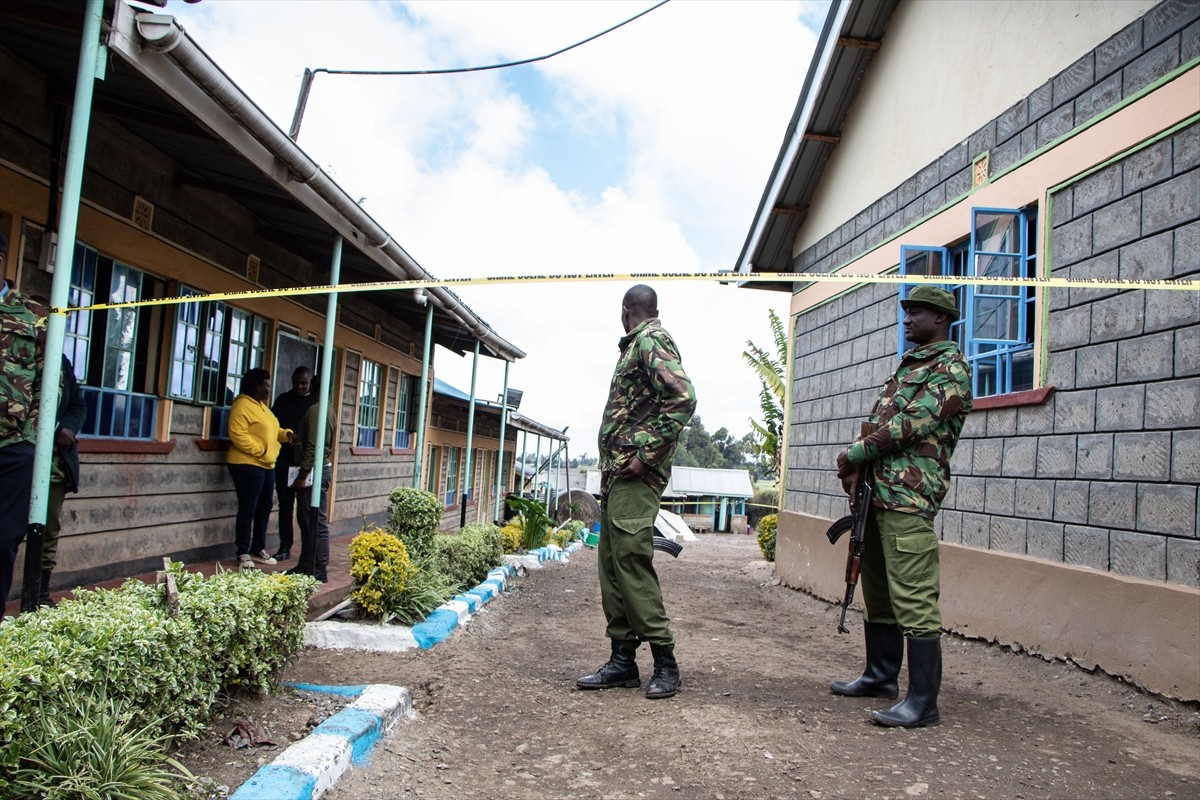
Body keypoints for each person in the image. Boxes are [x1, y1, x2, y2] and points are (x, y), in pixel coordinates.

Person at [832, 285, 973, 728]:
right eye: (907, 311)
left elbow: (910, 425)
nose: (908, 319)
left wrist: (855, 454)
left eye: (917, 312)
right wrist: (858, 465)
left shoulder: (951, 369)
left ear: (942, 319)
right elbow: (879, 421)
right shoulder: (910, 365)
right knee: (878, 591)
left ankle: (923, 703)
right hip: (878, 494)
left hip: (909, 496)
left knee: (913, 594)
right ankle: (880, 676)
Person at [577, 285, 696, 700]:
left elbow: (682, 398)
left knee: (630, 560)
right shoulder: (634, 346)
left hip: (635, 475)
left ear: (625, 311)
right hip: (617, 475)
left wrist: (646, 456)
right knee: (612, 566)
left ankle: (666, 662)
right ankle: (622, 661)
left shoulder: (650, 340)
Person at [0, 232, 45, 609]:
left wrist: (29, 439)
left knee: (2, 539)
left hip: (12, 447)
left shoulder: (31, 317)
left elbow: (49, 384)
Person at [227, 368, 294, 569]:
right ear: (257, 387)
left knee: (264, 507)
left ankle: (258, 549)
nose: (269, 389)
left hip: (266, 465)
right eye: (266, 385)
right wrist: (261, 449)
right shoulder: (242, 406)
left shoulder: (262, 407)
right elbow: (237, 434)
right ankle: (243, 552)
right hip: (247, 464)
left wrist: (286, 434)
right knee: (248, 509)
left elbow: (273, 430)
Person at [40, 354, 87, 607]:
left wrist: (65, 429)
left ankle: (38, 595)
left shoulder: (60, 359)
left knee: (48, 529)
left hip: (53, 466)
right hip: (16, 455)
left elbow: (78, 405)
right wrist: (54, 429)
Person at [286, 391, 335, 583]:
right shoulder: (326, 409)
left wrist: (303, 474)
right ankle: (306, 564)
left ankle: (319, 567)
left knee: (315, 521)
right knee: (306, 520)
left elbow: (315, 446)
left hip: (314, 471)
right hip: (317, 469)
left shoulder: (317, 410)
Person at [270, 366, 312, 560]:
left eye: (304, 383)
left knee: (305, 508)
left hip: (304, 463)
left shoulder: (313, 404)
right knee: (285, 506)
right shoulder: (282, 400)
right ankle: (284, 546)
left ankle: (308, 549)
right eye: (296, 382)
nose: (300, 386)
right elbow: (272, 427)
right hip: (284, 460)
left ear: (309, 383)